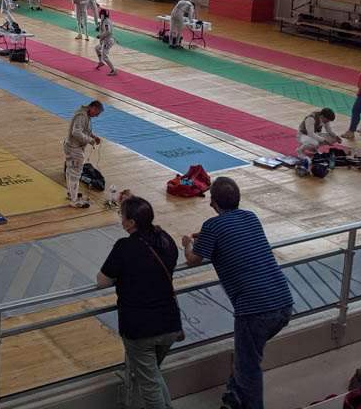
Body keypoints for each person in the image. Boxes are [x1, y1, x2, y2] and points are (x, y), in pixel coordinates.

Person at [182, 177, 293, 409]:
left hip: (255, 309)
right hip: (283, 302)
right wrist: (208, 238)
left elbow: (193, 260)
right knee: (247, 357)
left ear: (212, 203)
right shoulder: (250, 217)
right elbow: (234, 237)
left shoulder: (212, 226)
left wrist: (187, 244)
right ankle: (232, 399)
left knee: (248, 367)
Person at [97, 196, 182, 409]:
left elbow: (102, 281)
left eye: (122, 216)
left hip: (140, 328)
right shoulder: (165, 239)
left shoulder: (124, 247)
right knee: (152, 374)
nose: (121, 220)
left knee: (149, 383)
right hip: (170, 323)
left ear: (131, 222)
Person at [64, 100, 103, 208]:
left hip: (72, 146)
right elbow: (76, 132)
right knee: (75, 173)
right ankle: (74, 201)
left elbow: (85, 129)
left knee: (70, 170)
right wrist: (90, 140)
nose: (97, 116)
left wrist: (93, 136)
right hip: (74, 148)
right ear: (93, 108)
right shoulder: (82, 115)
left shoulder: (85, 113)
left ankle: (71, 194)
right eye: (97, 113)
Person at [95, 8, 117, 76]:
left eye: (101, 15)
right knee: (97, 48)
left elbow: (108, 31)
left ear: (102, 15)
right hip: (104, 40)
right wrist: (99, 27)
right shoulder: (104, 20)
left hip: (107, 41)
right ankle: (100, 62)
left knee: (104, 57)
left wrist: (100, 35)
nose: (100, 16)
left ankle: (113, 70)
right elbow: (104, 28)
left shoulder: (106, 21)